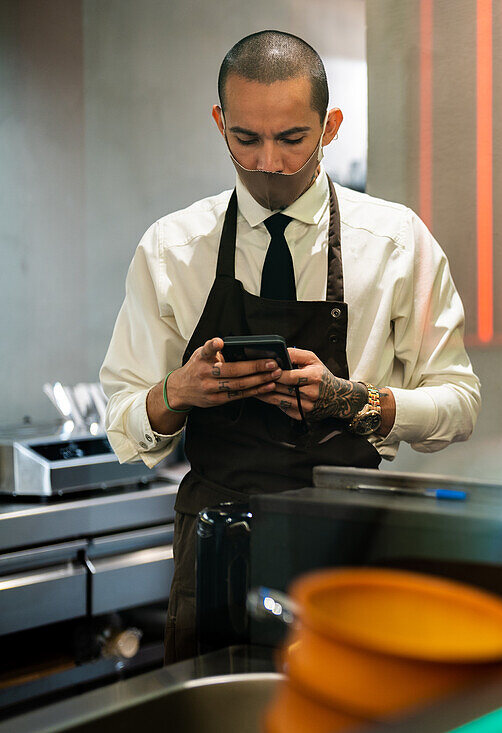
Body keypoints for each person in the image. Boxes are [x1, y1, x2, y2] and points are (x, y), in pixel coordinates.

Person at [100, 30, 480, 663]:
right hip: (216, 545)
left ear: (329, 126)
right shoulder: (171, 250)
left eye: (292, 139)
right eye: (245, 140)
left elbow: (460, 404)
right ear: (220, 122)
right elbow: (121, 420)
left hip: (348, 541)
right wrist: (177, 392)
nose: (269, 163)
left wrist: (354, 402)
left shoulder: (394, 243)